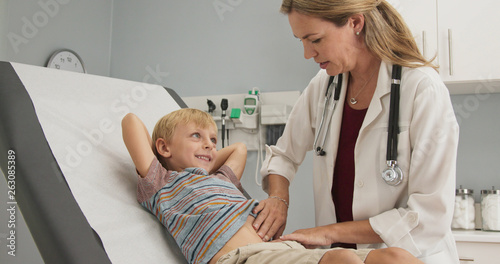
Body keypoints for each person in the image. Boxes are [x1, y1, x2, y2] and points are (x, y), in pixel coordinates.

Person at [253, 0, 460, 263]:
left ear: (355, 23)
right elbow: (283, 155)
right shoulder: (324, 86)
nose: (307, 53)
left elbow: (428, 217)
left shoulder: (422, 89)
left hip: (406, 257)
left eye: (315, 39)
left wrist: (328, 234)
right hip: (341, 258)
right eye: (301, 40)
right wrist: (278, 199)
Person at [121, 109, 423, 264]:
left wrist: (202, 161)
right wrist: (178, 162)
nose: (210, 145)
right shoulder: (162, 183)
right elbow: (131, 122)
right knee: (341, 258)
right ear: (162, 146)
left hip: (282, 250)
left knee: (394, 257)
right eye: (197, 136)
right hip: (241, 259)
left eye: (213, 139)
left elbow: (238, 148)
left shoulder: (220, 180)